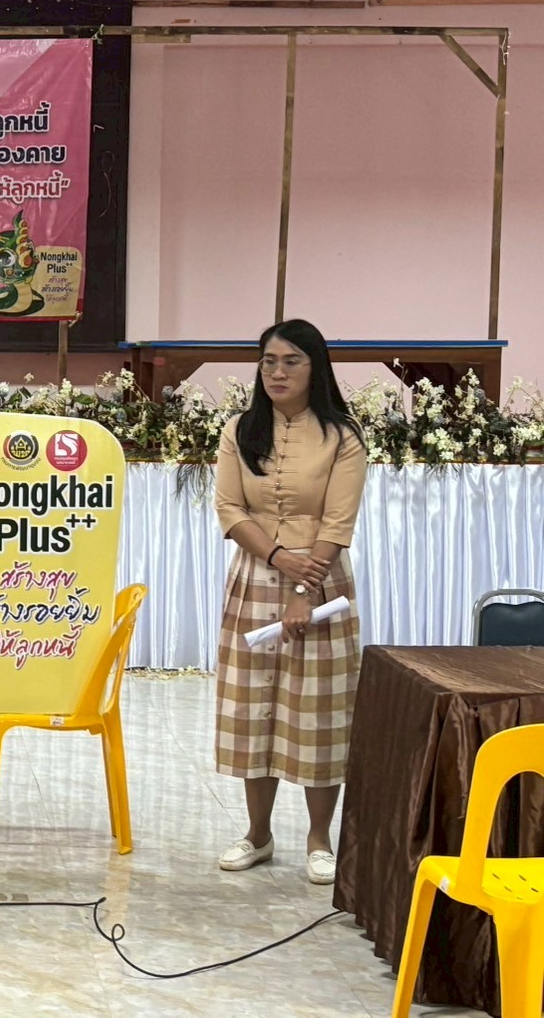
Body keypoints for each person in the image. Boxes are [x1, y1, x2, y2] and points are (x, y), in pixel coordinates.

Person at [213, 319, 367, 885]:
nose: (277, 372)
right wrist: (278, 557)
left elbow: (338, 521)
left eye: (291, 361)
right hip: (255, 576)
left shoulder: (342, 436)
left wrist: (304, 589)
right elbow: (229, 508)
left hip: (321, 584)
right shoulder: (239, 429)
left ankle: (319, 838)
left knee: (317, 711)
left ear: (315, 368)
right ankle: (258, 834)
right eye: (269, 361)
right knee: (255, 707)